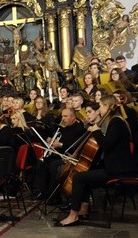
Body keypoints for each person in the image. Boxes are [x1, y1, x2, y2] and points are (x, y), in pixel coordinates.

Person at [54, 95, 138, 226]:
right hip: (116, 167)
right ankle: (83, 210)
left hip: (119, 170)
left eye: (101, 106)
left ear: (108, 106)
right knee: (86, 173)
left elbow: (107, 144)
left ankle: (73, 215)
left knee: (78, 177)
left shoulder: (117, 122)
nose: (99, 110)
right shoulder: (115, 121)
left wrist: (97, 131)